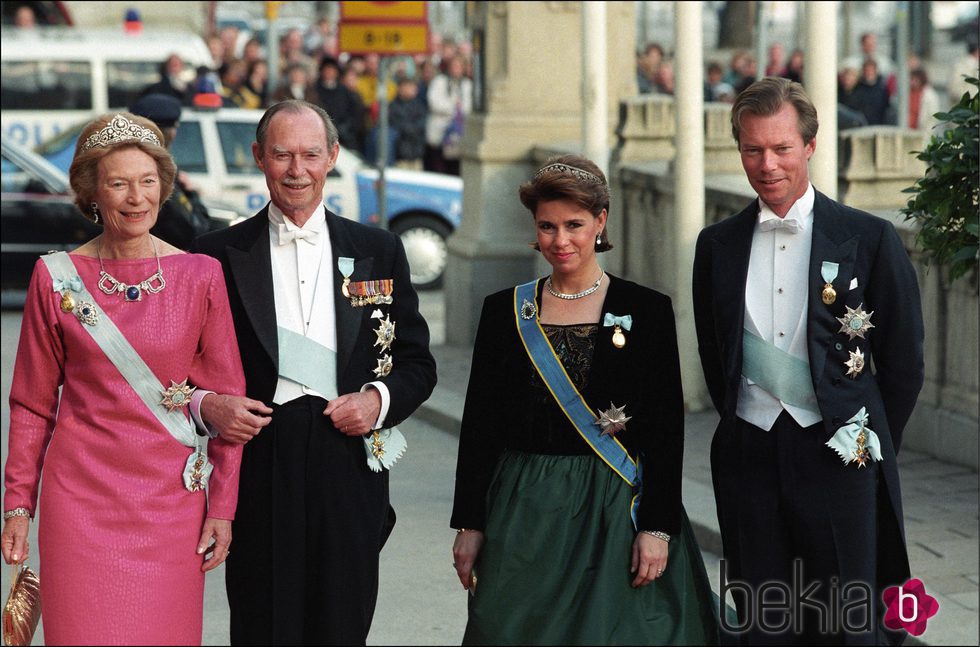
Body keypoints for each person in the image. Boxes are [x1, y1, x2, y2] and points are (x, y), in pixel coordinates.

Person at [0, 112, 253, 644]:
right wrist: (18, 504)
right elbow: (31, 404)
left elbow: (230, 407)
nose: (135, 197)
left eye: (147, 182)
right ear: (92, 192)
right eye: (118, 183)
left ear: (163, 187)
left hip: (170, 504)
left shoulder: (200, 274)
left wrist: (223, 509)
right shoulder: (56, 277)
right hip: (80, 503)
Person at [191, 99, 437, 645]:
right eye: (281, 155)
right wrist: (212, 406)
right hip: (258, 459)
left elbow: (417, 362)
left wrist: (377, 400)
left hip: (346, 460)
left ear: (333, 157)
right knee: (262, 625)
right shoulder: (215, 255)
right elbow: (183, 371)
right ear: (259, 158)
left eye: (309, 154)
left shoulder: (377, 249)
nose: (296, 170)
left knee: (342, 626)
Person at [451, 154, 719, 645]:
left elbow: (664, 429)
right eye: (547, 226)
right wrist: (469, 523)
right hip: (524, 509)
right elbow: (479, 427)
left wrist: (656, 529)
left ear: (601, 221)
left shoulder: (648, 310)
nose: (561, 240)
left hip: (615, 508)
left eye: (574, 224)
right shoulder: (504, 312)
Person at [692, 77, 924, 644]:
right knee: (764, 621)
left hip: (840, 458)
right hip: (749, 455)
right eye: (752, 150)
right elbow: (714, 352)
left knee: (846, 620)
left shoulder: (868, 238)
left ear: (810, 146)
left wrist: (864, 445)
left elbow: (903, 362)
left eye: (781, 148)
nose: (766, 164)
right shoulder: (716, 244)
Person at [128, 93, 218, 249]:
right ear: (170, 132)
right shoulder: (160, 173)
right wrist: (192, 195)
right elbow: (194, 232)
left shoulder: (130, 165)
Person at [424, 54, 472, 176]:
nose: (455, 69)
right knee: (439, 171)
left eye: (458, 66)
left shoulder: (467, 85)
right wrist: (455, 107)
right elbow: (434, 102)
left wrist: (458, 108)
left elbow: (469, 107)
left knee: (456, 171)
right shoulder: (439, 81)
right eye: (453, 66)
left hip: (459, 136)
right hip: (439, 134)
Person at [389, 76, 427, 170]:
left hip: (417, 152)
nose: (412, 89)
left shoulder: (419, 105)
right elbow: (397, 125)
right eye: (409, 87)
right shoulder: (393, 106)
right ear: (400, 88)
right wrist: (412, 129)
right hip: (401, 154)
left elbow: (422, 123)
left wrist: (414, 129)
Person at [908, 67, 941, 132]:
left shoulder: (930, 95)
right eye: (911, 79)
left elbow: (933, 116)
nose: (912, 82)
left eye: (914, 79)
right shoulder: (908, 92)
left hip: (922, 131)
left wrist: (928, 131)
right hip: (908, 129)